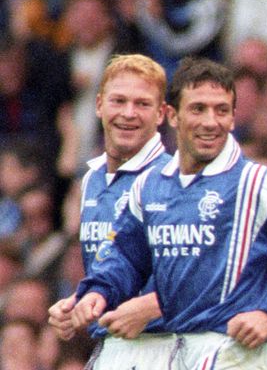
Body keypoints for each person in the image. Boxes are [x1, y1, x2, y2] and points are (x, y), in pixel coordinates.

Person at [70, 57, 267, 368]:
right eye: (198, 109)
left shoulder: (258, 184)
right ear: (172, 115)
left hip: (233, 350)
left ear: (233, 118)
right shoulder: (150, 186)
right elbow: (127, 257)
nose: (210, 122)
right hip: (176, 350)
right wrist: (99, 293)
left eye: (221, 110)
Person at [47, 54, 174, 368]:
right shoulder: (91, 179)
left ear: (160, 114)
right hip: (113, 347)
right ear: (99, 104)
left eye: (142, 104)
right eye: (119, 101)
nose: (128, 114)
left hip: (163, 347)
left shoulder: (172, 181)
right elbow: (109, 268)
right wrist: (78, 306)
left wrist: (151, 307)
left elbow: (201, 277)